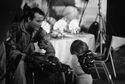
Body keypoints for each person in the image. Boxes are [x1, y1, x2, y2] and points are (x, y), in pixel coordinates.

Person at [6, 4, 55, 84]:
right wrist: (28, 58)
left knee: (47, 65)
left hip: (29, 58)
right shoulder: (15, 29)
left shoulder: (38, 30)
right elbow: (10, 51)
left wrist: (50, 58)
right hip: (14, 62)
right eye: (38, 21)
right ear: (29, 19)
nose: (40, 24)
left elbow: (49, 48)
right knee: (20, 63)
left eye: (41, 21)